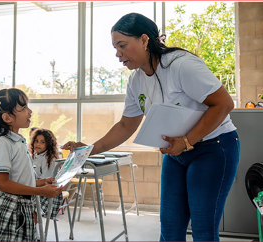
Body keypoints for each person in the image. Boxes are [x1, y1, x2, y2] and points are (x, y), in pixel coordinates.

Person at [62, 13, 240, 241]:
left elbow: (224, 103)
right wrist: (89, 149)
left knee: (204, 229)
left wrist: (186, 142)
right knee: (170, 229)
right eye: (115, 48)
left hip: (213, 147)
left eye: (122, 46)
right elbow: (127, 124)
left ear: (144, 40)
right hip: (175, 153)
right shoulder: (136, 81)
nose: (118, 54)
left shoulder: (181, 65)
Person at [0, 88, 63, 241]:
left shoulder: (19, 141)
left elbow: (21, 178)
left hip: (23, 206)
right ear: (7, 118)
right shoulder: (3, 143)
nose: (30, 111)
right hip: (12, 208)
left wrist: (42, 183)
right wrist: (40, 191)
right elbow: (4, 184)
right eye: (24, 108)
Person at [30, 128, 64, 219]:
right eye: (36, 141)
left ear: (48, 144)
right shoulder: (36, 155)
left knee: (29, 207)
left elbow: (46, 181)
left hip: (48, 192)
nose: (38, 144)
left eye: (42, 142)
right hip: (38, 188)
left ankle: (34, 228)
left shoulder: (49, 159)